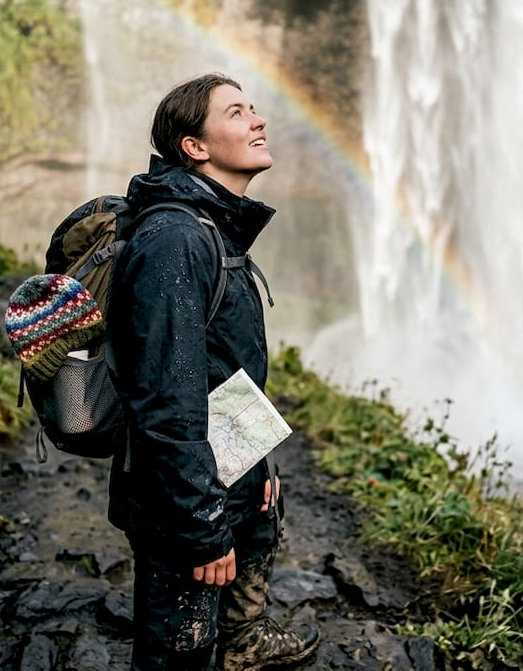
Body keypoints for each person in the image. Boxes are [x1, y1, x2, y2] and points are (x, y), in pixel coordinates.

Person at [107, 73, 320, 670]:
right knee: (177, 655)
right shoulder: (176, 239)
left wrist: (257, 471)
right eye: (236, 113)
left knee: (214, 635)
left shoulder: (212, 230)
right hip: (180, 504)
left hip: (219, 481)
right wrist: (203, 529)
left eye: (253, 109)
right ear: (194, 147)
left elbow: (221, 371)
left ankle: (245, 645)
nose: (258, 120)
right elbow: (166, 404)